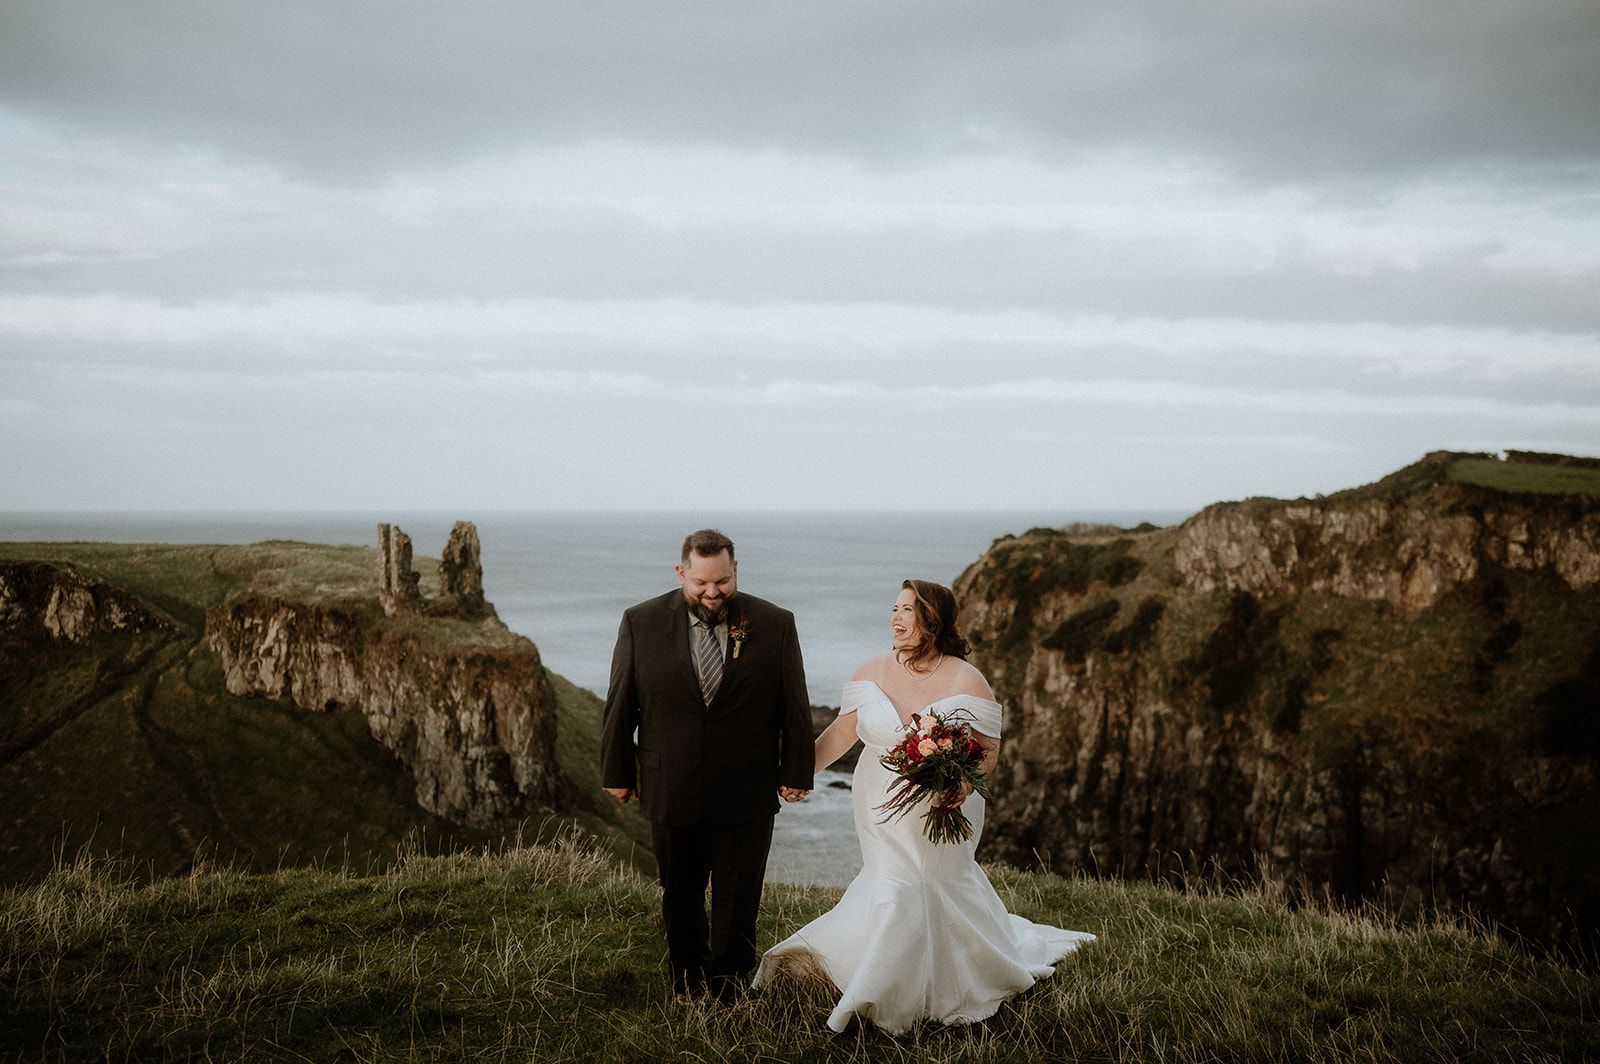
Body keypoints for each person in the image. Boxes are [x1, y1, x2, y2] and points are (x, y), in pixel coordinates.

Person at [753, 579, 1096, 1033]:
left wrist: (964, 788)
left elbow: (988, 748)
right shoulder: (870, 671)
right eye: (894, 608)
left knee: (933, 882)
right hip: (878, 800)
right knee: (893, 885)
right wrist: (795, 775)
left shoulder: (965, 678)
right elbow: (840, 734)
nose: (895, 618)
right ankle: (883, 981)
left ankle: (941, 981)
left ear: (932, 619)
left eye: (907, 611)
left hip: (945, 803)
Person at [601, 529, 815, 1004]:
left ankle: (731, 989)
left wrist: (797, 772)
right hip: (669, 783)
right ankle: (687, 983)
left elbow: (794, 704)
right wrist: (616, 771)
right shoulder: (640, 622)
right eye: (701, 583)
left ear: (736, 571)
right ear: (682, 573)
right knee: (680, 892)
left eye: (723, 581)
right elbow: (621, 703)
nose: (713, 593)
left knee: (739, 897)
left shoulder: (776, 623)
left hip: (747, 788)